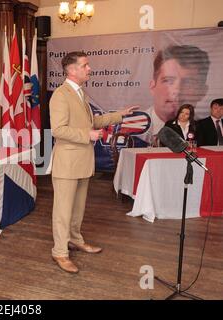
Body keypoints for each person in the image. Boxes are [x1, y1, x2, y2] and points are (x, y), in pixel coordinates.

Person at [49, 51, 137, 274]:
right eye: (85, 65)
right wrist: (86, 135)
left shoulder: (80, 93)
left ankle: (75, 239)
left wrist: (120, 115)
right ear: (72, 70)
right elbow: (58, 130)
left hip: (82, 162)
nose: (89, 69)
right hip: (67, 163)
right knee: (62, 211)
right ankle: (60, 251)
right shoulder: (61, 95)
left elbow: (93, 121)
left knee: (77, 208)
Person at [145, 45, 210, 138]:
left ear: (202, 91)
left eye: (188, 82)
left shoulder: (205, 129)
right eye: (168, 81)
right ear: (152, 87)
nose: (178, 90)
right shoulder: (132, 126)